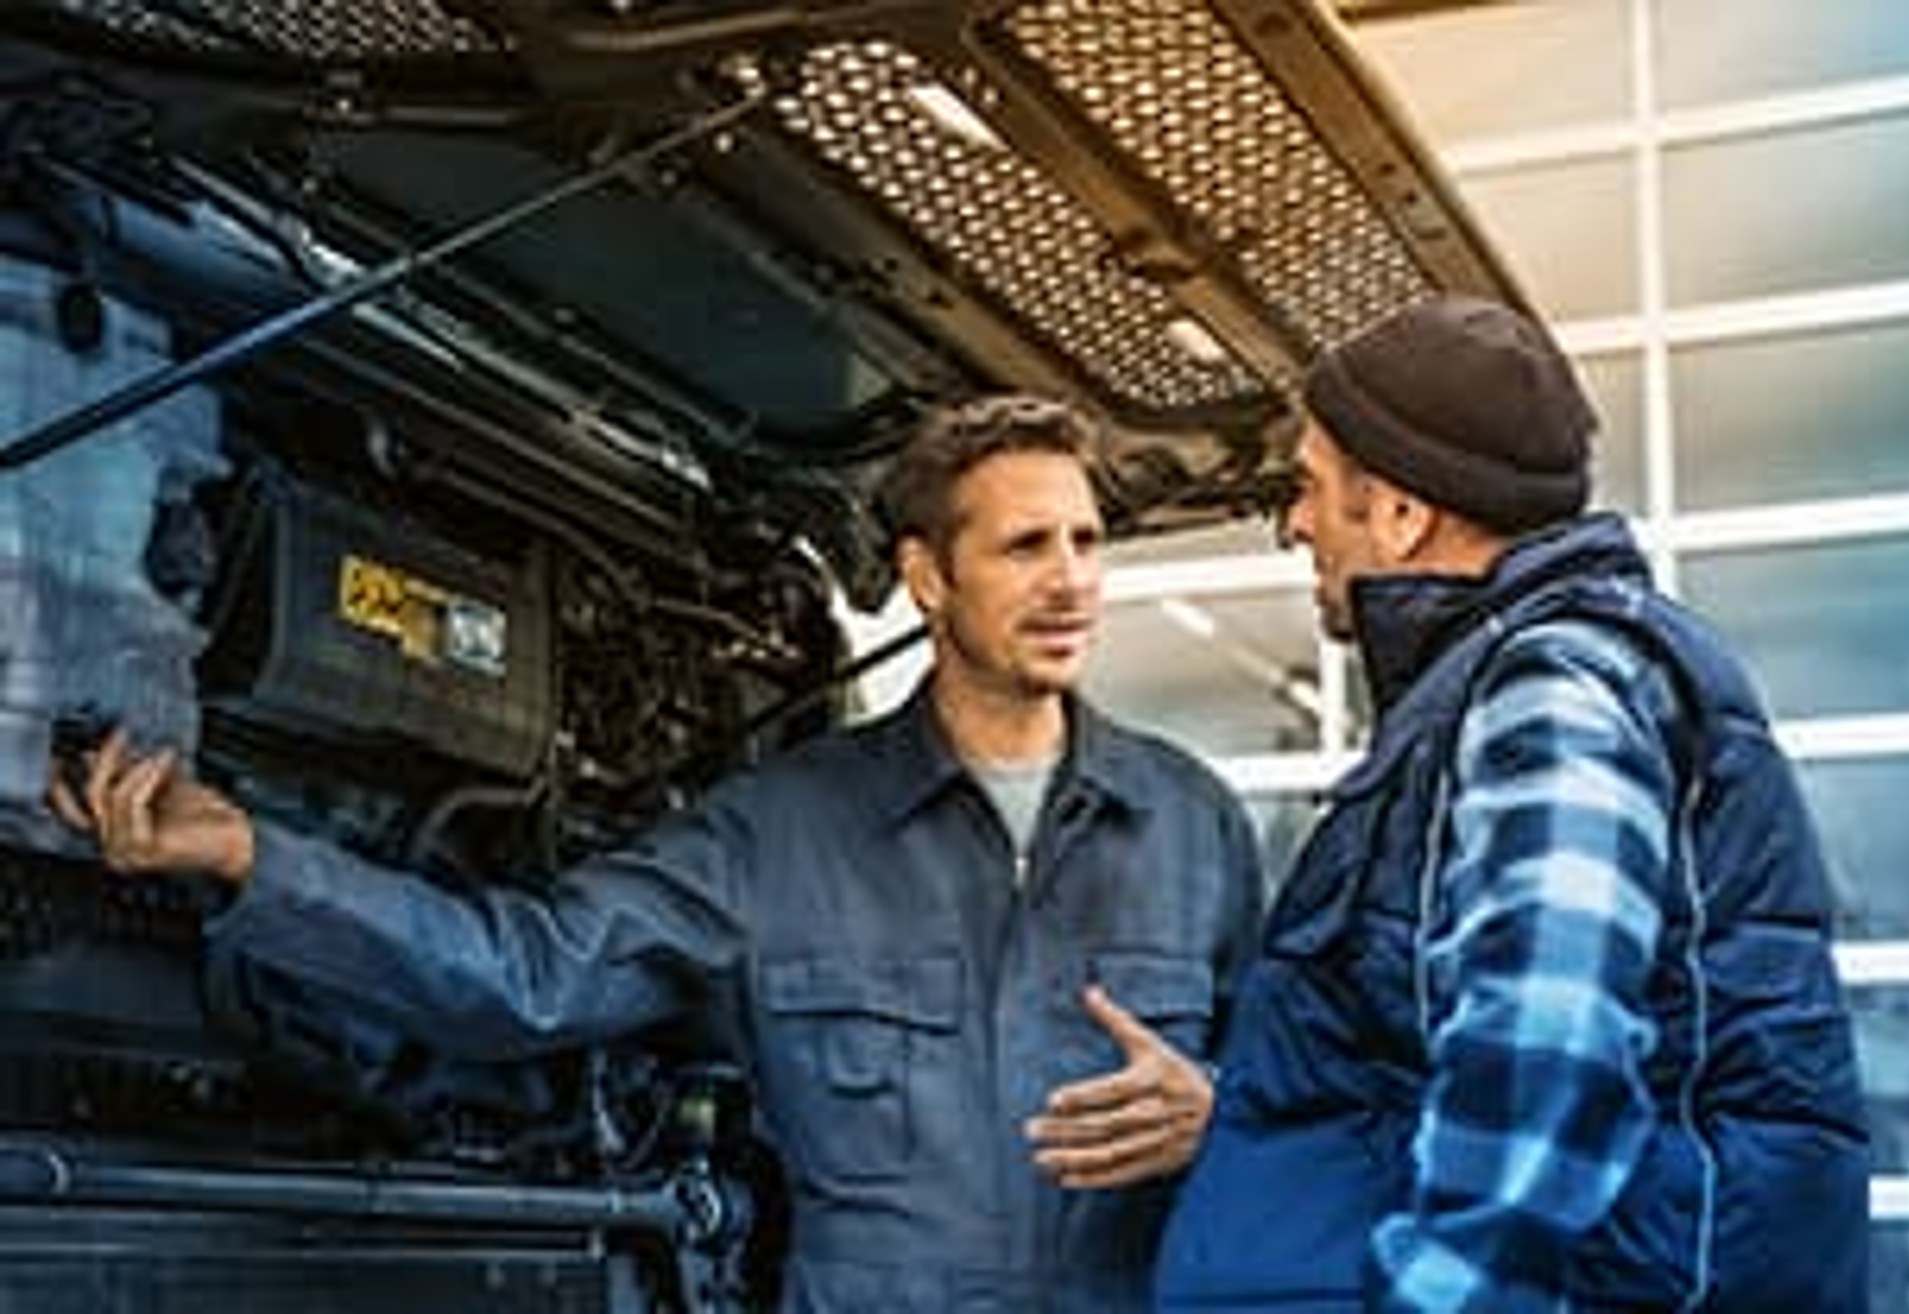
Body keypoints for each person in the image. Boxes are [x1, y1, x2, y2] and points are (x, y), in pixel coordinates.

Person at [55, 394, 1266, 1313]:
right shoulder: (777, 833)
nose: (1071, 584)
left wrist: (1222, 1114)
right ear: (926, 577)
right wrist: (252, 856)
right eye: (1024, 548)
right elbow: (522, 975)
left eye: (1088, 543)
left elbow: (1331, 1100)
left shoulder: (1195, 826)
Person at [1155, 296, 1870, 1312]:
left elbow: (1549, 1044)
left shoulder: (1549, 683)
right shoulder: (1512, 684)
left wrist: (1441, 1296)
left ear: (1401, 514)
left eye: (1310, 489)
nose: (1296, 525)